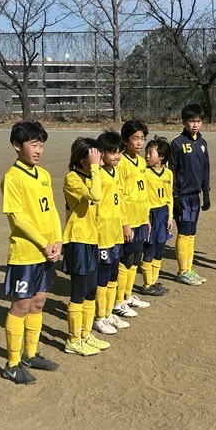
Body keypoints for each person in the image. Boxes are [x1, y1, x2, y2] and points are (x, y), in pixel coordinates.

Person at [0, 121, 63, 385]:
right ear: (17, 146)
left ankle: (30, 354)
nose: (38, 150)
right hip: (26, 253)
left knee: (38, 302)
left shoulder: (44, 174)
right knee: (21, 305)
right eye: (33, 144)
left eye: (41, 145)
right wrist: (43, 243)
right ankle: (12, 364)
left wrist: (58, 240)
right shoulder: (12, 177)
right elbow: (17, 218)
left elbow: (52, 209)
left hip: (47, 252)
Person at [61, 137, 111, 356]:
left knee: (91, 290)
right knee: (79, 291)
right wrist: (95, 169)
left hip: (92, 239)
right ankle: (73, 340)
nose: (100, 159)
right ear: (83, 160)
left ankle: (85, 334)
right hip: (77, 240)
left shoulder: (92, 176)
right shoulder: (72, 178)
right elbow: (96, 195)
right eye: (95, 155)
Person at [169, 103, 211, 286]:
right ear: (184, 122)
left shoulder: (202, 143)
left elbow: (205, 169)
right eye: (192, 121)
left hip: (195, 196)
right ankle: (182, 271)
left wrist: (206, 193)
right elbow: (171, 171)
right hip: (182, 197)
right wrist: (175, 196)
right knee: (184, 233)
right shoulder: (177, 143)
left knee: (192, 233)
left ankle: (189, 268)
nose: (195, 125)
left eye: (198, 121)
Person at [93, 130, 129, 336]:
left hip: (116, 231)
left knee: (113, 273)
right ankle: (99, 317)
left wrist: (125, 224)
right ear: (101, 153)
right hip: (102, 233)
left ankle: (108, 313)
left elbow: (120, 200)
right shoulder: (98, 174)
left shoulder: (116, 172)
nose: (117, 156)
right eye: (112, 152)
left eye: (119, 152)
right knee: (103, 274)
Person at [114, 119, 152, 317]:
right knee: (126, 259)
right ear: (125, 140)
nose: (139, 143)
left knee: (136, 257)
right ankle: (118, 301)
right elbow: (119, 195)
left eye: (142, 139)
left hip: (140, 218)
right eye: (135, 138)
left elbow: (143, 191)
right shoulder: (121, 162)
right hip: (128, 220)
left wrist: (146, 218)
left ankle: (127, 296)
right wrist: (124, 223)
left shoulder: (142, 162)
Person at [141, 135, 173, 296]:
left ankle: (154, 281)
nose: (147, 156)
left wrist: (170, 216)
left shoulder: (168, 174)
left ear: (161, 156)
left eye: (150, 153)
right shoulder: (144, 173)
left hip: (163, 213)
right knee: (149, 250)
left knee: (160, 250)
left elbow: (169, 196)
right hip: (150, 214)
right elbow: (143, 197)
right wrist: (146, 217)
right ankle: (147, 285)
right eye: (146, 153)